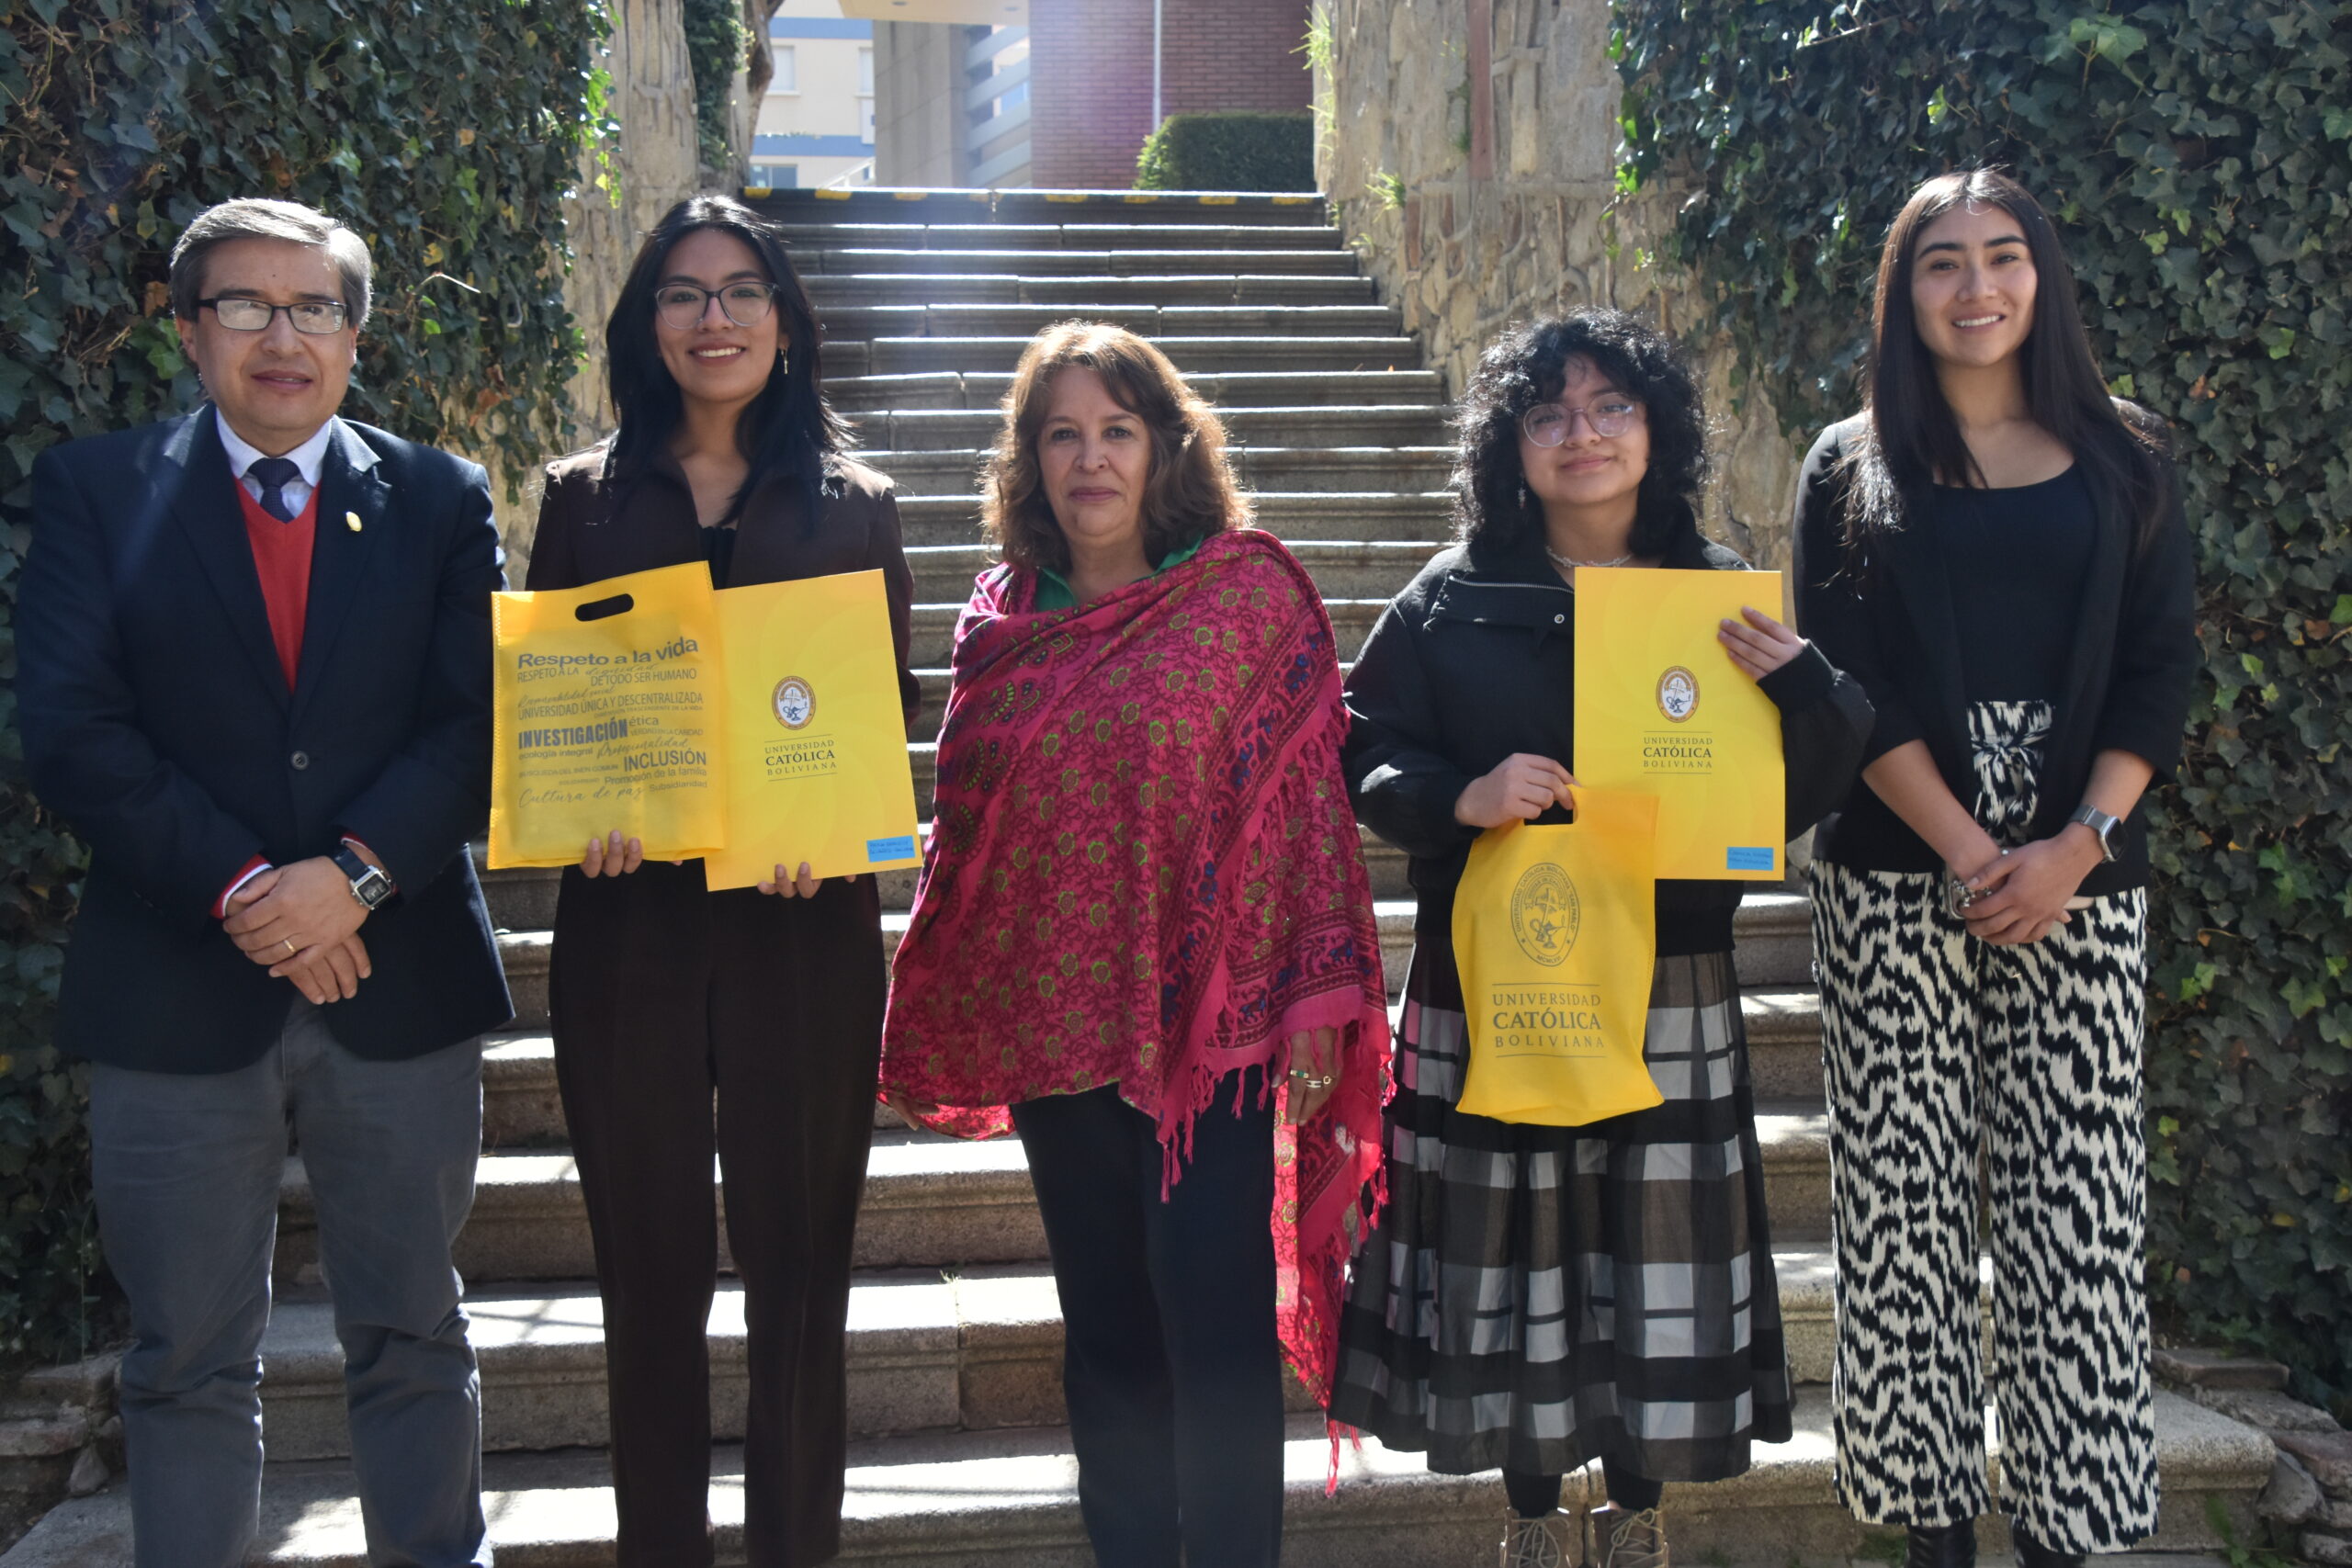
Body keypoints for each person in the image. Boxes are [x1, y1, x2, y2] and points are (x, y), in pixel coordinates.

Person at [1327, 309, 1874, 1568]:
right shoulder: (1450, 596)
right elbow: (1360, 746)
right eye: (1550, 413)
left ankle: (1636, 1514)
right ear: (1510, 447)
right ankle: (1528, 1518)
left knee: (1648, 1244)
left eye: (1610, 407)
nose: (1583, 435)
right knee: (1512, 1241)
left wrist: (1802, 685)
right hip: (1501, 974)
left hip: (1666, 972)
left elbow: (1807, 779)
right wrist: (1458, 797)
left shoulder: (1717, 595)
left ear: (1656, 430)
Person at [16, 197, 510, 1568]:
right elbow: (71, 728)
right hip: (175, 990)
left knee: (416, 1332)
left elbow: (478, 724)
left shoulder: (437, 497)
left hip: (395, 980)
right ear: (189, 330)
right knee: (183, 1359)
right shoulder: (98, 490)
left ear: (356, 334)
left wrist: (349, 877)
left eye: (315, 308)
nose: (282, 337)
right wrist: (249, 887)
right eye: (245, 305)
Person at [878, 321, 1390, 1568]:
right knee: (1106, 1327)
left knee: (1210, 1317)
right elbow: (972, 832)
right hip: (1060, 1024)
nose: (1090, 460)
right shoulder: (1000, 625)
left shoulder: (1246, 597)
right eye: (1063, 434)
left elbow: (1305, 811)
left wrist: (1310, 1007)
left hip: (1212, 1033)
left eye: (1117, 430)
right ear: (1029, 460)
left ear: (1165, 447)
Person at [1793, 170, 2196, 1568]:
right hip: (1900, 875)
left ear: (2043, 277)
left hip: (2085, 878)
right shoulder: (1848, 460)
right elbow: (1844, 682)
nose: (1977, 287)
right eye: (1942, 264)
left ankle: (2068, 1532)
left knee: (2075, 1223)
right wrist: (1975, 853)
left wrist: (2074, 848)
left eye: (2004, 256)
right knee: (1901, 1219)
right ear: (1904, 295)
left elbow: (2160, 672)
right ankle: (1930, 1537)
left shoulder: (2127, 456)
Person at [524, 193, 916, 1568]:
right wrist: (585, 815)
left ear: (787, 321)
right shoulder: (581, 500)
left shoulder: (857, 508)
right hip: (626, 930)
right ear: (646, 325)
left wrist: (845, 821)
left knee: (802, 1281)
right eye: (684, 294)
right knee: (649, 1280)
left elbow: (884, 721)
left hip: (801, 936)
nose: (713, 318)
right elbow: (552, 714)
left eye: (741, 290)